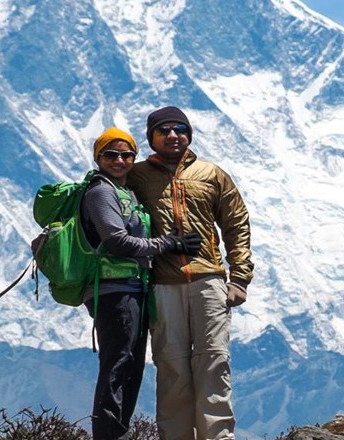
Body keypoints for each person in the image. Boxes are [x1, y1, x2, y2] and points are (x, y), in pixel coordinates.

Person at [126, 107, 254, 440]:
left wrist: (239, 277)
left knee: (214, 363)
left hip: (209, 280)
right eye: (163, 130)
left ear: (189, 134)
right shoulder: (136, 177)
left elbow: (236, 223)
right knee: (171, 369)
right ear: (151, 137)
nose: (172, 135)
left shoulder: (212, 174)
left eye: (179, 128)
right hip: (161, 284)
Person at [81, 127, 203, 440]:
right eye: (111, 154)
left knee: (131, 365)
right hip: (113, 291)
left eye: (126, 155)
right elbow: (117, 241)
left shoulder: (125, 191)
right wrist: (169, 244)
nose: (119, 160)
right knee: (119, 364)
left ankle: (115, 433)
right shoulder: (100, 192)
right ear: (99, 157)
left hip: (132, 290)